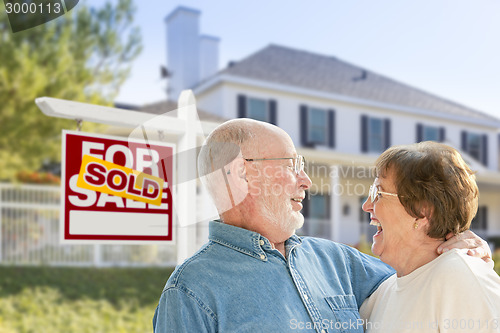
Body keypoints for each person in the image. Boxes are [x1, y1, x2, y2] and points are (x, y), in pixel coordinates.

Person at [153, 119, 491, 332]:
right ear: (242, 173)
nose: (306, 180)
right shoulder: (189, 294)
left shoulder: (337, 261)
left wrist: (459, 242)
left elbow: (419, 274)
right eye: (292, 165)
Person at [359, 141, 500, 332]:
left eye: (378, 193)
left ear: (423, 210)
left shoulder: (460, 277)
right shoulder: (381, 294)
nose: (366, 205)